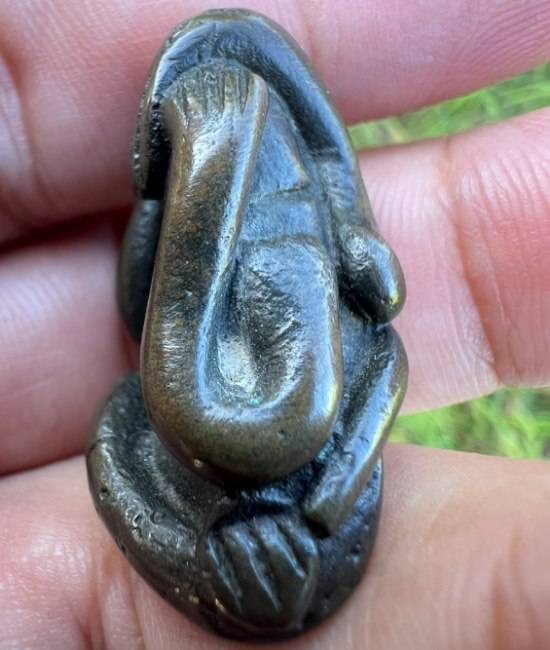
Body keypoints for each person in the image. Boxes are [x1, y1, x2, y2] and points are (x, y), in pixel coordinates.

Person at [0, 1, 549, 648]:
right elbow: (139, 301)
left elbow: (380, 350)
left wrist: (326, 503)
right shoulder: (137, 420)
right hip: (211, 276)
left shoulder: (354, 352)